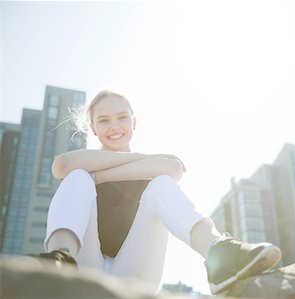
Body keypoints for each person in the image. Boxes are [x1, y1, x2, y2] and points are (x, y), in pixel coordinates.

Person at [39, 90, 281, 295]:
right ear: (92, 127)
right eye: (103, 120)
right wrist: (138, 160)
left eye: (122, 117)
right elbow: (61, 166)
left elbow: (173, 168)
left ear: (134, 122)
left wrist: (100, 177)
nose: (114, 127)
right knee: (78, 176)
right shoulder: (84, 162)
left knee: (162, 183)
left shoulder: (149, 167)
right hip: (82, 269)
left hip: (133, 276)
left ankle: (220, 255)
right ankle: (58, 261)